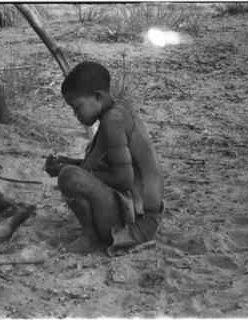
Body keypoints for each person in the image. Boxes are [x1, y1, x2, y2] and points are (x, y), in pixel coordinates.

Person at [44, 61, 164, 254]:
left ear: (98, 96)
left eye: (77, 107)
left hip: (137, 226)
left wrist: (72, 172)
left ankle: (90, 237)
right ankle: (93, 233)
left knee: (69, 177)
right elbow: (107, 165)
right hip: (141, 217)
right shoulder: (116, 111)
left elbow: (124, 179)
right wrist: (71, 163)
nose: (76, 115)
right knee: (70, 172)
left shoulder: (112, 120)